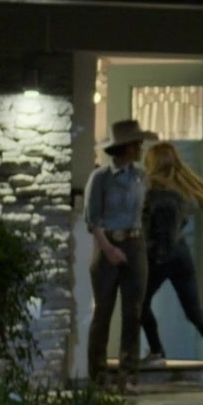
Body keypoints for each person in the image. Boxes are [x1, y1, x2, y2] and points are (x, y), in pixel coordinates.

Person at [135, 141, 203, 390]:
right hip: (181, 254)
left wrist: (153, 257)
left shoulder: (155, 193)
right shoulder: (179, 192)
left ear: (153, 163)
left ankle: (156, 351)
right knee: (194, 310)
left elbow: (160, 234)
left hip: (160, 255)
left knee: (139, 303)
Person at [84, 118, 154, 389]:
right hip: (107, 246)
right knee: (103, 312)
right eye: (137, 144)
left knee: (133, 313)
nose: (140, 148)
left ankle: (129, 375)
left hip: (134, 245)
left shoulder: (140, 176)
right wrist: (109, 248)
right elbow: (93, 220)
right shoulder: (100, 178)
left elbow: (145, 210)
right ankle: (98, 376)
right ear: (126, 147)